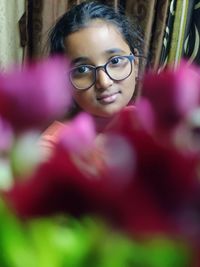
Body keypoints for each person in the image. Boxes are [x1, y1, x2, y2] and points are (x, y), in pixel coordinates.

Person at [40, 0, 144, 152]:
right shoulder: (52, 149)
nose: (104, 82)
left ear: (135, 64)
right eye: (82, 70)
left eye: (115, 61)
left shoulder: (150, 125)